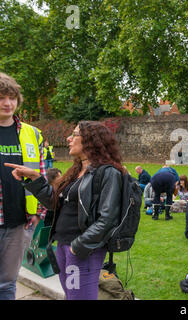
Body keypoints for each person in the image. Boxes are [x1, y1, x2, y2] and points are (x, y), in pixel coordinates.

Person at [6, 121, 126, 300]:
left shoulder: (108, 172)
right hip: (62, 246)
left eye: (74, 134)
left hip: (82, 250)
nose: (68, 138)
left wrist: (77, 248)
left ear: (90, 141)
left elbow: (108, 219)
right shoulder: (77, 170)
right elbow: (57, 204)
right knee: (71, 295)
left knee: (79, 297)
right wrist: (35, 178)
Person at [0, 72, 47, 300]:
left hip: (19, 223)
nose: (8, 103)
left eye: (12, 97)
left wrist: (38, 213)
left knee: (7, 283)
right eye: (1, 97)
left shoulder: (31, 133)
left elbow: (40, 176)